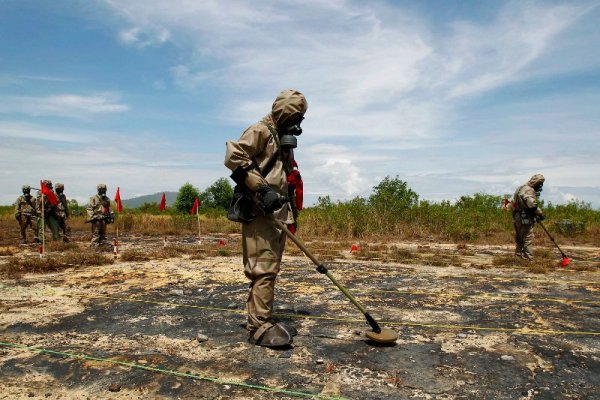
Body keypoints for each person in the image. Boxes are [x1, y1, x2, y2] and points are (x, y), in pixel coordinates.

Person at [224, 89, 307, 347]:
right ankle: (258, 327)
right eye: (295, 117)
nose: (298, 124)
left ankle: (262, 317)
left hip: (278, 213)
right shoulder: (260, 131)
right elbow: (233, 156)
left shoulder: (281, 137)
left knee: (271, 268)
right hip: (261, 212)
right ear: (284, 113)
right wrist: (261, 189)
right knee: (264, 269)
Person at [512, 174, 545, 260]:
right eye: (539, 184)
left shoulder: (521, 188)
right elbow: (532, 205)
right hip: (525, 217)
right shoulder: (529, 190)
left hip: (517, 216)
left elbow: (514, 202)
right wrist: (539, 214)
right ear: (536, 183)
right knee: (527, 238)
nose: (540, 187)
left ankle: (518, 257)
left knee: (519, 238)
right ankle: (529, 259)